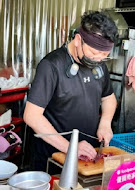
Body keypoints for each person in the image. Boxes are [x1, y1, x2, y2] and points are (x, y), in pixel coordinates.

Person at [24, 10, 119, 172]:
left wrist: (105, 123)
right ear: (77, 40)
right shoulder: (51, 66)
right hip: (54, 157)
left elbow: (109, 98)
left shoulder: (99, 66)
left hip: (87, 157)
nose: (98, 59)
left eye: (104, 55)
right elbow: (31, 116)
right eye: (95, 53)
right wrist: (69, 147)